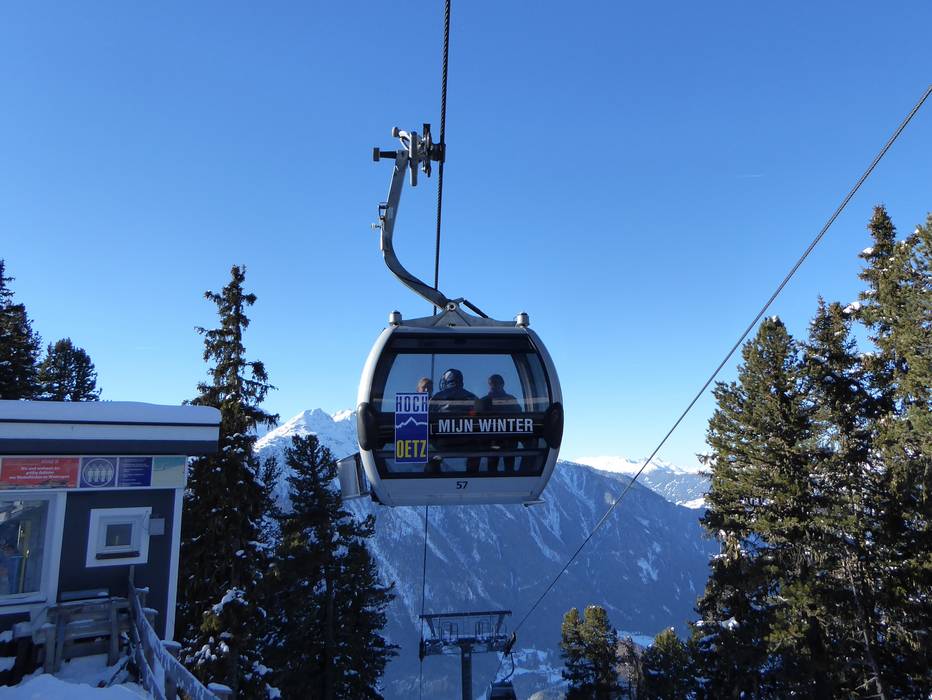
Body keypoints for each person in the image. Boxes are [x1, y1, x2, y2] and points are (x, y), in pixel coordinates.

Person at [429, 369, 480, 472]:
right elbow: (478, 419)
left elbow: (429, 419)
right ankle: (472, 474)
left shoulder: (437, 397)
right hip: (467, 442)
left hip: (442, 442)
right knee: (476, 452)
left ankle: (433, 475)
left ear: (446, 381)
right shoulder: (471, 397)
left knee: (430, 454)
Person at [479, 374, 522, 472]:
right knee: (508, 467)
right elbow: (519, 415)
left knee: (492, 467)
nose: (494, 386)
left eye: (494, 383)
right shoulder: (511, 399)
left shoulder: (484, 401)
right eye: (493, 383)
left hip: (493, 440)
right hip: (508, 440)